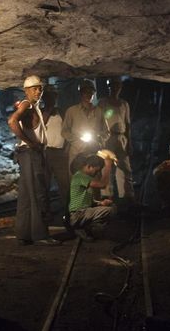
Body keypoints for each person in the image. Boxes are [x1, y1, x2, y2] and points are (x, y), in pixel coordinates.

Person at [7, 75, 61, 246]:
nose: (38, 91)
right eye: (34, 88)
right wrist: (31, 142)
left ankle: (24, 233)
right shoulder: (27, 104)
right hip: (31, 153)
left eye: (40, 88)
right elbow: (12, 120)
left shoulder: (34, 106)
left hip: (28, 154)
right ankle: (41, 235)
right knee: (39, 193)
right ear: (26, 91)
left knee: (26, 196)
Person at [97, 76, 136, 204]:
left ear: (120, 87)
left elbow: (128, 123)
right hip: (107, 137)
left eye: (117, 86)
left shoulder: (124, 104)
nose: (115, 88)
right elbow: (98, 121)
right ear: (109, 87)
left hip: (121, 137)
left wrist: (129, 142)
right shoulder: (102, 102)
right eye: (113, 86)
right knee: (106, 167)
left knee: (125, 167)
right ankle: (107, 196)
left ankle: (127, 196)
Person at [61, 79, 110, 175]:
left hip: (93, 152)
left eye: (90, 92)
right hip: (76, 151)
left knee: (93, 182)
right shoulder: (72, 111)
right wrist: (77, 139)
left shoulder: (99, 111)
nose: (88, 95)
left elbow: (106, 132)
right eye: (85, 92)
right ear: (81, 93)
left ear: (94, 94)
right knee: (76, 181)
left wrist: (99, 139)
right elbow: (64, 131)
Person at [68, 153, 115, 241]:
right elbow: (102, 184)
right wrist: (108, 166)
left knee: (108, 207)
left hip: (81, 213)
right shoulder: (80, 176)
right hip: (78, 214)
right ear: (89, 166)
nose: (97, 173)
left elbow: (86, 201)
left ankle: (84, 228)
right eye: (96, 171)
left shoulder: (82, 177)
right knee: (111, 210)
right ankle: (85, 228)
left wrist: (100, 203)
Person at [41, 85, 71, 221]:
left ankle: (67, 212)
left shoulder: (62, 112)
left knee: (64, 184)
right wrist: (48, 111)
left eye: (53, 96)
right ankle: (45, 212)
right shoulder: (40, 113)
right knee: (44, 184)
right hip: (45, 152)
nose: (51, 99)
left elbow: (69, 131)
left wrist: (68, 147)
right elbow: (39, 127)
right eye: (48, 96)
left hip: (60, 153)